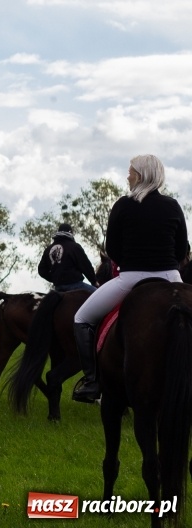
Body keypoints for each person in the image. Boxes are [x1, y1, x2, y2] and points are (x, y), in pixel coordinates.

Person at [72, 155, 188, 403]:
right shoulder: (173, 205)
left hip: (131, 278)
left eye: (131, 172)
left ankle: (93, 381)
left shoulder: (123, 205)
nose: (128, 176)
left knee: (81, 318)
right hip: (172, 277)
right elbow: (182, 249)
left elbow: (112, 249)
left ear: (141, 175)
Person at [37, 223, 98, 293]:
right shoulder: (74, 247)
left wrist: (54, 279)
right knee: (97, 294)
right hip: (75, 285)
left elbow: (41, 270)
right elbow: (86, 266)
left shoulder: (48, 249)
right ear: (70, 232)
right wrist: (94, 281)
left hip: (58, 288)